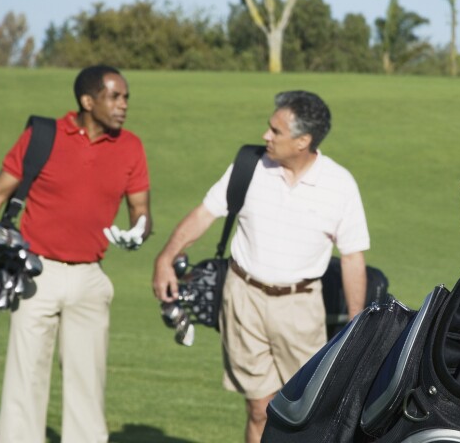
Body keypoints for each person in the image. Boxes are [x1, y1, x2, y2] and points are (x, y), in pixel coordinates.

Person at [0, 64, 152, 443]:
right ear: (87, 101)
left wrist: (139, 230)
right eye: (114, 97)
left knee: (88, 387)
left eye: (126, 97)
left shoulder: (131, 146)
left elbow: (140, 209)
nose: (123, 104)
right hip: (36, 276)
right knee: (25, 382)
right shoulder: (43, 136)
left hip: (91, 278)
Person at [152, 90, 370, 443]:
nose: (265, 135)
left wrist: (356, 325)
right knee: (258, 409)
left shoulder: (339, 184)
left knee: (305, 412)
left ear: (302, 141)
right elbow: (204, 214)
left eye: (275, 131)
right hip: (243, 299)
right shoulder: (249, 165)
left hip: (300, 308)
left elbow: (352, 257)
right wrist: (165, 257)